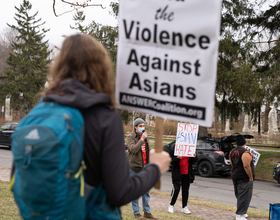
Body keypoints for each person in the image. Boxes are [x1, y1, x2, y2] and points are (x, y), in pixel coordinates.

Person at [43, 34, 171, 219]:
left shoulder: (43, 110)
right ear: (100, 67)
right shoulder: (104, 118)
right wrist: (155, 168)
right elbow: (119, 193)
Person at [126, 118, 157, 219]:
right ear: (135, 127)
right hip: (135, 168)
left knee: (146, 192)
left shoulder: (145, 137)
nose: (142, 128)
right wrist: (142, 139)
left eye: (143, 126)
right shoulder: (130, 137)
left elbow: (147, 152)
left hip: (145, 168)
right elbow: (133, 149)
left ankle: (147, 212)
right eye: (140, 126)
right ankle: (136, 213)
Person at [229, 134, 255, 220]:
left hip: (235, 175)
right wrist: (250, 177)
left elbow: (232, 164)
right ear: (244, 142)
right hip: (244, 177)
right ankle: (240, 215)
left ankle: (243, 212)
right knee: (245, 195)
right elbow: (246, 166)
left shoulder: (232, 151)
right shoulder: (245, 152)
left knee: (239, 194)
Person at [168, 144, 197, 214]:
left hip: (187, 173)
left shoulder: (190, 147)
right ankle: (171, 205)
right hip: (177, 173)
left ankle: (184, 207)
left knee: (185, 190)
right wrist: (177, 159)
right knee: (176, 189)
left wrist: (194, 157)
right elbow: (171, 161)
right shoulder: (175, 148)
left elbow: (193, 161)